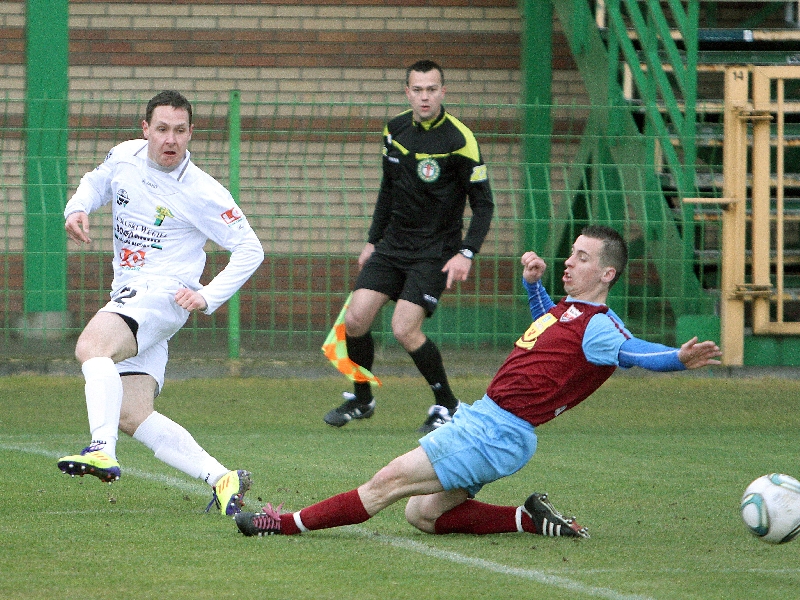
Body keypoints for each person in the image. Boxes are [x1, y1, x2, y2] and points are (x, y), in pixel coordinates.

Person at [235, 225, 722, 538]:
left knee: (385, 484)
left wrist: (676, 357)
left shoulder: (600, 326)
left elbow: (635, 352)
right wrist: (534, 285)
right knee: (422, 515)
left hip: (495, 432)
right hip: (490, 424)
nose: (569, 262)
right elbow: (545, 328)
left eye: (582, 257)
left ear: (608, 272)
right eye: (570, 254)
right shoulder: (568, 311)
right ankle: (527, 518)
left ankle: (282, 524)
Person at [57, 90, 265, 516]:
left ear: (191, 134)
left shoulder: (203, 191)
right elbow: (99, 180)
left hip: (161, 295)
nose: (171, 140)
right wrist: (77, 208)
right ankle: (222, 477)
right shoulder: (125, 156)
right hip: (131, 294)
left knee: (91, 347)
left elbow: (250, 249)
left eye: (181, 131)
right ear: (145, 130)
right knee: (132, 413)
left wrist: (207, 295)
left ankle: (100, 450)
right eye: (163, 129)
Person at [323, 59, 495, 433]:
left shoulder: (460, 139)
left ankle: (447, 404)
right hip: (392, 246)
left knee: (404, 328)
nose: (424, 97)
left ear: (443, 92)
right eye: (417, 90)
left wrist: (467, 252)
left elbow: (484, 205)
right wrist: (372, 240)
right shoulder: (395, 129)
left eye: (432, 89)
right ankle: (362, 398)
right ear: (407, 92)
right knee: (354, 320)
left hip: (435, 251)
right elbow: (388, 189)